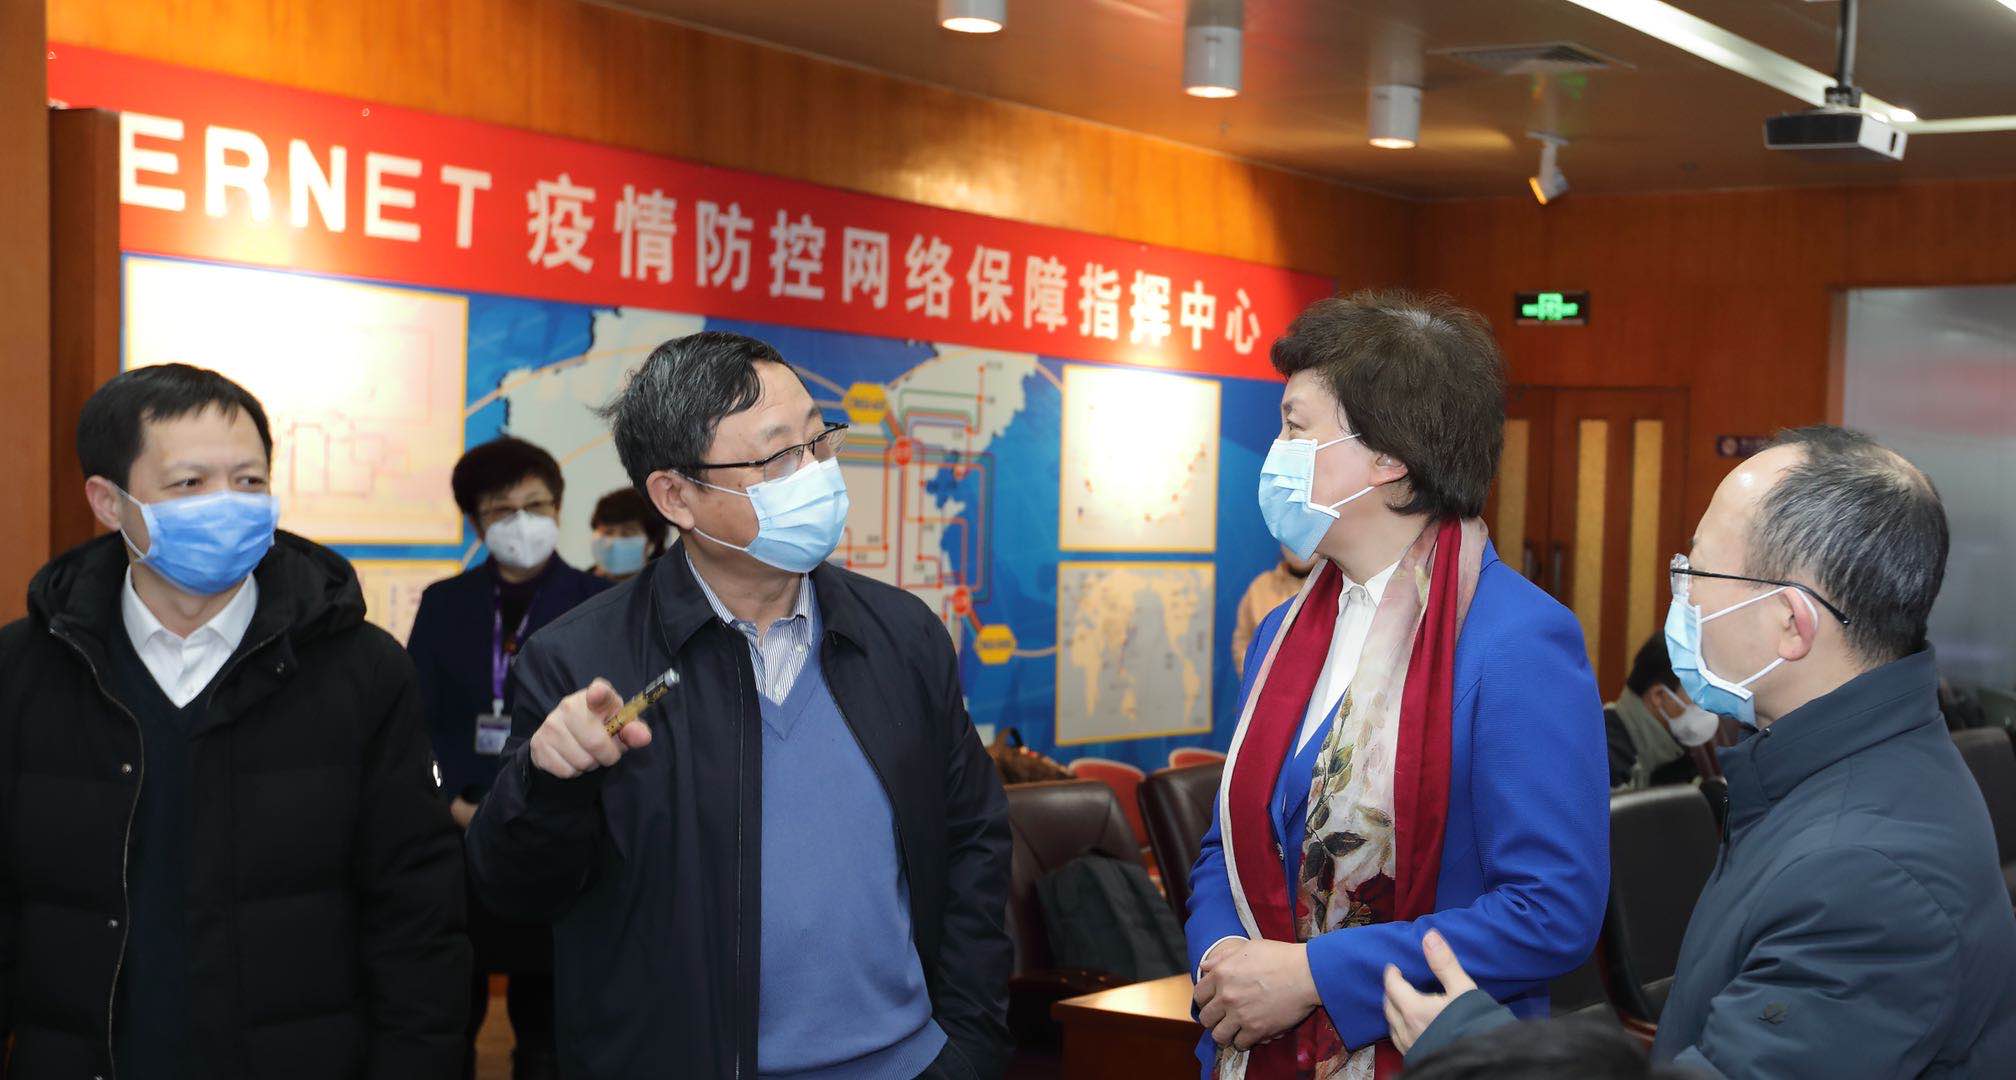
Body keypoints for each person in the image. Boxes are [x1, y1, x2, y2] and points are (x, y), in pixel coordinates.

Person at [464, 331, 1013, 1079]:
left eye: (818, 441)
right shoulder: (579, 661)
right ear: (676, 496)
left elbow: (974, 837)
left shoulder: (903, 634)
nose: (815, 473)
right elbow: (515, 891)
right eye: (777, 456)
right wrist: (547, 782)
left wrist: (968, 1045)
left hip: (913, 1062)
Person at [1386, 426, 2016, 1076]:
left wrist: (1476, 1049)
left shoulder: (1866, 878)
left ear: (1791, 623)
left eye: (1699, 570)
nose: (1682, 595)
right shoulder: (1853, 768)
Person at [0, 364, 469, 1077]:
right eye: (189, 483)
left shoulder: (363, 672)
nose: (227, 505)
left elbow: (417, 918)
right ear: (108, 501)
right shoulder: (26, 671)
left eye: (249, 481)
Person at [1185, 292, 1609, 1078]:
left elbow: (1551, 909)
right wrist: (1223, 962)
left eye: (1295, 428)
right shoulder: (1281, 634)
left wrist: (1313, 976)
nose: (1276, 453)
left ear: (1387, 457)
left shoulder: (1517, 640)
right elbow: (1229, 845)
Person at [405, 436, 608, 1080]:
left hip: (553, 835)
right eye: (501, 510)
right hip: (458, 832)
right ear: (476, 522)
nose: (522, 522)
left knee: (548, 1025)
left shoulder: (598, 601)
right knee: (448, 1013)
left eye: (536, 505)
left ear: (559, 508)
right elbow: (416, 722)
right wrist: (450, 801)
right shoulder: (445, 603)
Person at [1605, 633, 1722, 790]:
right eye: (1699, 692)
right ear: (1659, 696)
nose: (1709, 703)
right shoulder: (1604, 755)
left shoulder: (1678, 748)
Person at [1232, 546, 1318, 663]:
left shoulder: (1335, 589)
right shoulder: (1260, 587)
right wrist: (1255, 672)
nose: (1300, 546)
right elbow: (1243, 641)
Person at [587, 486, 671, 581]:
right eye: (607, 532)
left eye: (626, 534)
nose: (612, 543)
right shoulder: (579, 585)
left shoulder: (672, 584)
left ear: (652, 544)